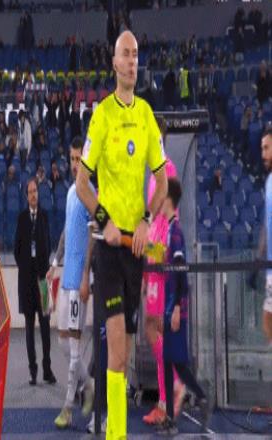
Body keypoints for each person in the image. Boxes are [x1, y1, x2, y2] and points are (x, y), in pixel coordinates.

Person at [76, 31, 168, 440]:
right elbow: (82, 183)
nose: (132, 61)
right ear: (113, 63)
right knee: (115, 347)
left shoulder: (146, 114)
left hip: (136, 249)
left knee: (125, 353)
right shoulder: (102, 115)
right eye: (125, 55)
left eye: (136, 54)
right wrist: (106, 220)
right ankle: (116, 435)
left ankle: (115, 428)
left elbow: (162, 181)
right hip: (110, 250)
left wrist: (147, 219)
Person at [46, 137, 95, 430]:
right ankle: (89, 385)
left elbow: (93, 236)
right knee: (62, 342)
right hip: (66, 278)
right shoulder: (69, 192)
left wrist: (87, 274)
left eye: (80, 159)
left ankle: (67, 407)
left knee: (75, 348)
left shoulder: (90, 193)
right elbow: (67, 231)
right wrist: (55, 262)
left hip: (79, 281)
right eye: (73, 159)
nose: (76, 164)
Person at [156, 178, 210, 435]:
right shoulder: (170, 230)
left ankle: (201, 397)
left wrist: (177, 306)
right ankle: (171, 416)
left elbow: (180, 272)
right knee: (169, 361)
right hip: (170, 307)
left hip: (175, 308)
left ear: (168, 198)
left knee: (176, 362)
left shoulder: (175, 232)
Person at [142, 116, 185, 426]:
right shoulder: (154, 174)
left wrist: (160, 256)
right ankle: (164, 399)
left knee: (153, 326)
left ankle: (174, 386)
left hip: (161, 255)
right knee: (154, 325)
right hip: (153, 256)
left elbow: (170, 218)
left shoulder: (167, 169)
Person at [14, 178, 56, 385]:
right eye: (30, 192)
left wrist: (43, 271)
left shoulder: (45, 216)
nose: (33, 195)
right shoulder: (22, 219)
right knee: (29, 328)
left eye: (35, 191)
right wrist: (26, 268)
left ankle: (47, 369)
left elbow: (48, 245)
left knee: (46, 327)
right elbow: (16, 250)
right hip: (27, 283)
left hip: (43, 282)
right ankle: (33, 371)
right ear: (26, 196)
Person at [261, 126, 272, 345]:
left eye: (267, 148)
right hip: (270, 267)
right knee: (268, 320)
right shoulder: (269, 180)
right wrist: (259, 253)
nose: (263, 153)